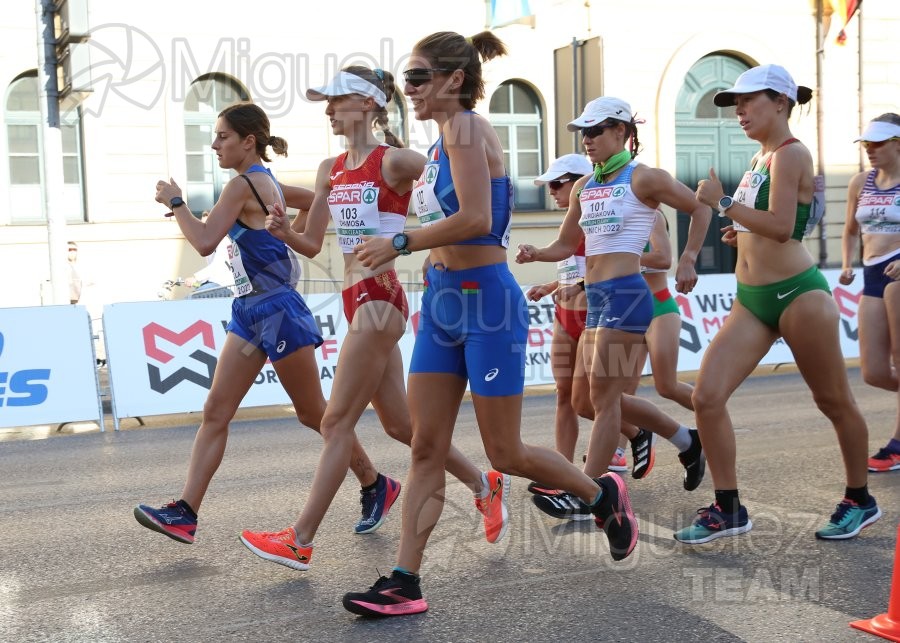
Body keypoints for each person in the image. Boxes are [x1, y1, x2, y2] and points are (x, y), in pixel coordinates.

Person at [342, 32, 638, 619]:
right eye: (407, 79)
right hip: (444, 302)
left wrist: (401, 240)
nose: (410, 89)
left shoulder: (468, 128)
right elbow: (453, 219)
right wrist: (427, 250)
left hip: (488, 306)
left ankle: (600, 491)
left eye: (419, 77)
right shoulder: (436, 145)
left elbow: (476, 217)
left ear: (454, 81)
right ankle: (405, 581)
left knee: (504, 452)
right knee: (426, 445)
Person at [237, 66, 506, 571]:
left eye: (335, 101)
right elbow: (312, 242)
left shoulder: (400, 160)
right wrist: (281, 231)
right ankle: (483, 483)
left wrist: (435, 244)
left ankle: (301, 537)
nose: (328, 111)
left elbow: (455, 200)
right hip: (352, 296)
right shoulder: (329, 169)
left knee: (335, 419)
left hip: (380, 300)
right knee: (403, 427)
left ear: (366, 105)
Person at [134, 102, 388, 544]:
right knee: (216, 411)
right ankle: (185, 513)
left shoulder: (241, 186)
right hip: (249, 310)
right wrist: (286, 232)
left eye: (222, 137)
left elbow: (204, 242)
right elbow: (315, 199)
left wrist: (176, 202)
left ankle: (374, 483)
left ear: (248, 142)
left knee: (317, 416)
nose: (214, 144)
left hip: (276, 311)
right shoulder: (263, 182)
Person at [680, 64, 882, 544]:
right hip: (752, 301)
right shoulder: (759, 158)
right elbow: (762, 224)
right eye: (736, 104)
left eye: (749, 101)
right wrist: (739, 232)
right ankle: (727, 507)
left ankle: (860, 499)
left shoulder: (792, 154)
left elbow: (785, 227)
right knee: (705, 397)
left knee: (833, 400)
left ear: (781, 102)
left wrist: (723, 203)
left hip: (799, 295)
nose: (740, 111)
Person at [516, 96, 710, 520]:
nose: (587, 140)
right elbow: (566, 245)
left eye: (595, 130)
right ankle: (685, 439)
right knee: (584, 401)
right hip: (596, 300)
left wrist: (690, 257)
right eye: (584, 133)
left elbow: (699, 207)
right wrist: (536, 252)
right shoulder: (586, 187)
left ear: (621, 131)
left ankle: (588, 492)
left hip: (628, 297)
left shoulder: (644, 178)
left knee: (604, 402)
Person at [840, 113, 900, 473]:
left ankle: (897, 444)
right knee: (874, 371)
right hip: (871, 273)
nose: (870, 150)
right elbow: (849, 229)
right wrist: (847, 263)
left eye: (878, 143)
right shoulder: (860, 182)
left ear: (898, 144)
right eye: (866, 143)